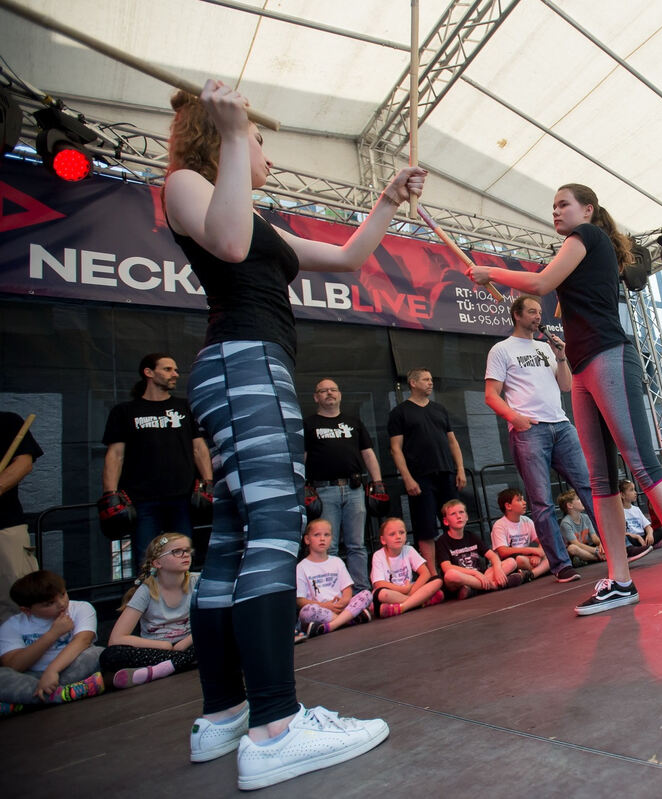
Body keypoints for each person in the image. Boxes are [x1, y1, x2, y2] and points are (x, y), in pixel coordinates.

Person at [164, 80, 416, 788]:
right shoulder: (187, 183)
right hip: (243, 364)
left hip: (249, 364)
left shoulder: (252, 212)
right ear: (224, 140)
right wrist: (237, 133)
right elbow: (230, 241)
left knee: (237, 537)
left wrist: (389, 201)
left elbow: (346, 259)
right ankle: (276, 725)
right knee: (275, 527)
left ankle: (225, 714)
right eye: (254, 139)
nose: (264, 150)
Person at [468, 183, 662, 615]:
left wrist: (492, 272)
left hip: (609, 355)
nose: (556, 211)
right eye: (553, 206)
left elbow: (542, 281)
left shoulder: (587, 238)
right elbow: (549, 289)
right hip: (582, 367)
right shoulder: (579, 248)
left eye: (563, 204)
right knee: (599, 481)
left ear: (587, 209)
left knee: (643, 464)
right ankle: (620, 580)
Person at [485, 294, 595, 584]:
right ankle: (561, 565)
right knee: (542, 502)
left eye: (539, 312)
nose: (538, 316)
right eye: (531, 311)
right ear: (517, 315)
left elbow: (566, 386)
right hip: (530, 430)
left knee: (589, 486)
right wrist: (514, 418)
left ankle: (616, 547)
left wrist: (560, 354)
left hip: (561, 425)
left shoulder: (547, 348)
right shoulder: (501, 349)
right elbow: (490, 395)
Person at [101, 353, 213, 560]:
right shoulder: (124, 411)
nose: (175, 374)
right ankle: (148, 593)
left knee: (182, 558)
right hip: (142, 499)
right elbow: (115, 455)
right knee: (147, 560)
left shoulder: (184, 408)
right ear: (149, 373)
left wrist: (208, 483)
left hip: (181, 497)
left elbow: (199, 448)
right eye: (168, 369)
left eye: (176, 370)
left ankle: (179, 594)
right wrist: (110, 494)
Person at [304, 378, 385, 593]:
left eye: (333, 390)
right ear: (316, 397)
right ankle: (328, 594)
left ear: (340, 394)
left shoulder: (353, 422)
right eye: (323, 391)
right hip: (323, 490)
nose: (329, 393)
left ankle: (362, 593)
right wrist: (301, 486)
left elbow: (368, 454)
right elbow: (301, 458)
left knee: (356, 545)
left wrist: (378, 483)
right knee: (326, 545)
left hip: (354, 489)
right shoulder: (309, 425)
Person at [388, 368, 466, 575]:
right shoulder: (400, 412)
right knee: (426, 527)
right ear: (413, 383)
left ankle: (462, 566)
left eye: (431, 379)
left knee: (455, 521)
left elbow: (452, 441)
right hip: (420, 477)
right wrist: (407, 478)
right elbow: (395, 448)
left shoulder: (439, 409)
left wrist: (460, 469)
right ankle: (432, 574)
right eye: (425, 379)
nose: (430, 383)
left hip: (446, 473)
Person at [99, 532, 199, 689]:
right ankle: (179, 663)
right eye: (176, 551)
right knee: (110, 656)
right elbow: (116, 638)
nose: (185, 555)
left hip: (190, 643)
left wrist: (185, 642)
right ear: (157, 563)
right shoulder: (146, 590)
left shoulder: (198, 581)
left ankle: (156, 671)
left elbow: (214, 619)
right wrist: (165, 646)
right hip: (157, 650)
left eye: (187, 550)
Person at [0, 570, 105, 715]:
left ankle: (27, 702)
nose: (62, 604)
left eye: (63, 594)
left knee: (96, 653)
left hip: (69, 671)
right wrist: (52, 634)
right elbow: (14, 665)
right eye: (49, 603)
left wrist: (52, 671)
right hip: (32, 677)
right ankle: (64, 694)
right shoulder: (11, 626)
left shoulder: (81, 608)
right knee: (2, 675)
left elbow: (83, 641)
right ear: (27, 610)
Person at [296, 519, 373, 639]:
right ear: (307, 539)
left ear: (331, 538)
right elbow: (300, 601)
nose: (322, 538)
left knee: (367, 594)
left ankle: (332, 625)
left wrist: (344, 601)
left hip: (341, 608)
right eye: (317, 535)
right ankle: (349, 620)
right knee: (306, 612)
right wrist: (325, 606)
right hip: (322, 610)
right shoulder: (301, 567)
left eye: (326, 535)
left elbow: (347, 589)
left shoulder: (336, 561)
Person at [0, 411, 42, 624]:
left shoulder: (6, 421)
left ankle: (20, 654)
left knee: (17, 598)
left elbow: (23, 464)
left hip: (4, 525)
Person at [436, 499, 523, 600]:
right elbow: (447, 568)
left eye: (461, 512)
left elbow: (493, 556)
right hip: (463, 579)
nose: (458, 516)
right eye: (453, 514)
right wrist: (475, 574)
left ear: (466, 517)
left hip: (482, 577)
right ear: (446, 521)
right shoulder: (442, 541)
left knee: (511, 562)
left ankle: (476, 589)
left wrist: (498, 569)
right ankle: (493, 586)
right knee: (450, 575)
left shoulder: (471, 536)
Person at [370, 517, 444, 617]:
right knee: (381, 594)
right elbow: (379, 583)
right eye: (392, 534)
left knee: (437, 580)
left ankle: (402, 606)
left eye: (401, 532)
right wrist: (403, 591)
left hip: (410, 590)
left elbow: (425, 573)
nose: (398, 536)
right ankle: (420, 601)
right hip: (393, 593)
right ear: (383, 540)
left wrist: (411, 591)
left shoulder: (409, 550)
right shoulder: (378, 555)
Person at [491, 488, 550, 580]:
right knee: (519, 559)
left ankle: (530, 575)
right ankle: (543, 570)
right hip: (511, 561)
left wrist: (537, 554)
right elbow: (503, 552)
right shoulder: (499, 525)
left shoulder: (527, 520)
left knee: (551, 553)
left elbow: (543, 540)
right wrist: (532, 551)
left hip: (528, 558)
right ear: (508, 506)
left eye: (523, 499)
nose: (524, 502)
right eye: (519, 500)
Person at [557, 489, 604, 566]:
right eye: (578, 499)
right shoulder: (566, 523)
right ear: (570, 505)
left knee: (604, 543)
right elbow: (576, 544)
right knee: (572, 548)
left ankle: (592, 558)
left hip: (588, 548)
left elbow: (594, 537)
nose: (582, 500)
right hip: (575, 551)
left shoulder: (585, 517)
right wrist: (596, 551)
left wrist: (601, 544)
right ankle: (597, 558)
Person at [618, 480, 659, 556]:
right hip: (633, 538)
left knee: (661, 530)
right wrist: (637, 537)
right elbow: (621, 533)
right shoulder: (619, 512)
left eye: (634, 489)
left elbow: (648, 526)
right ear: (622, 495)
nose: (635, 492)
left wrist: (649, 534)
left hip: (643, 537)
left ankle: (648, 544)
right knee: (626, 538)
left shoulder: (636, 509)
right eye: (631, 490)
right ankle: (644, 547)